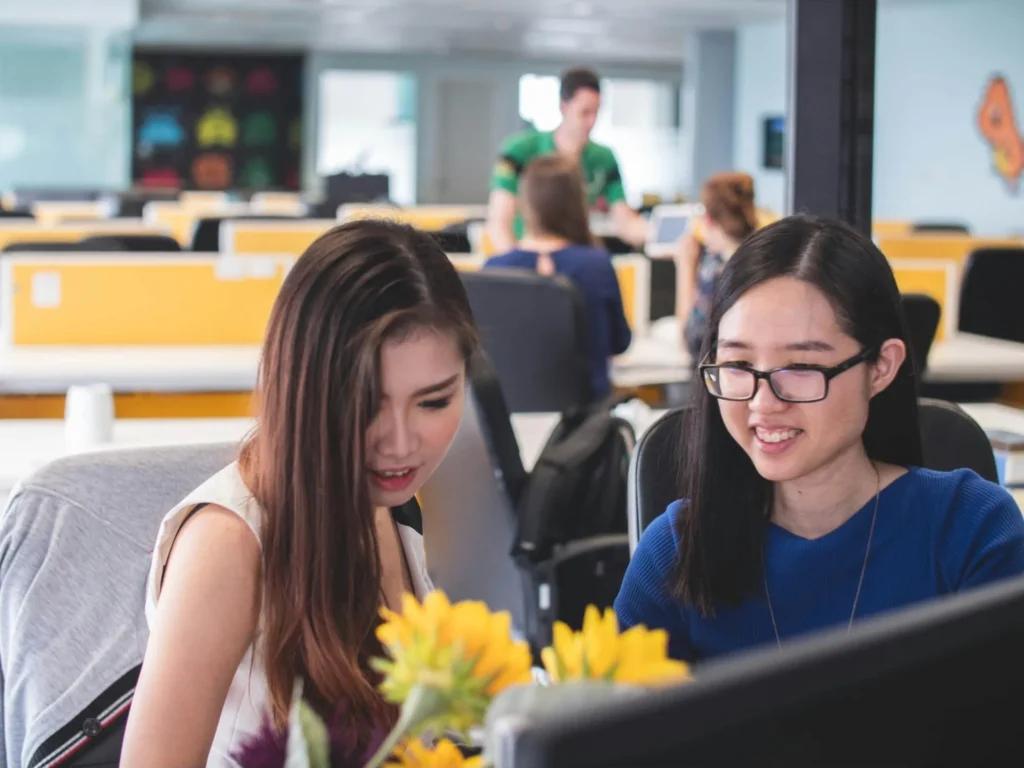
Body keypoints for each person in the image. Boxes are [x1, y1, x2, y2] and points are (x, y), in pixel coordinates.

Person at [121, 221, 479, 767]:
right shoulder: (227, 545)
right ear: (307, 389)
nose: (402, 443)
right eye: (368, 402)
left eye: (433, 402)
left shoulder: (390, 509)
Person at [615, 215, 1024, 663]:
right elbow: (609, 720)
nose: (764, 402)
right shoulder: (676, 549)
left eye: (802, 368)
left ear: (881, 367)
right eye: (738, 365)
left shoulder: (970, 529)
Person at [484, 154, 632, 400]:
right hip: (586, 421)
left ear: (526, 204)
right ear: (577, 205)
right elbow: (620, 342)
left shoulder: (494, 270)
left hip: (510, 417)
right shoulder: (597, 265)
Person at [485, 67, 649, 254]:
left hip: (575, 259)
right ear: (564, 107)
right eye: (584, 112)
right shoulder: (519, 150)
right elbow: (499, 223)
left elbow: (626, 222)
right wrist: (519, 269)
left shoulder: (604, 158)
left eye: (596, 112)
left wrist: (658, 234)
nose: (591, 122)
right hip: (528, 255)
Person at [674, 172, 758, 361]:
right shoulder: (763, 259)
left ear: (709, 219)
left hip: (715, 382)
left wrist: (685, 267)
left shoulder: (716, 269)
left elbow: (690, 340)